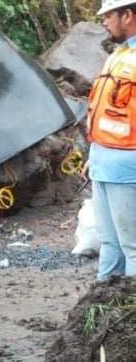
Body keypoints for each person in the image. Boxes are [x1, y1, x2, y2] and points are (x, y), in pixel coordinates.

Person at [83, 0, 136, 282]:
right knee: (109, 242)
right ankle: (99, 307)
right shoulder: (118, 55)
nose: (104, 21)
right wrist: (95, 154)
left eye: (108, 16)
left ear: (127, 15)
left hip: (127, 165)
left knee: (132, 246)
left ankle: (130, 315)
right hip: (103, 160)